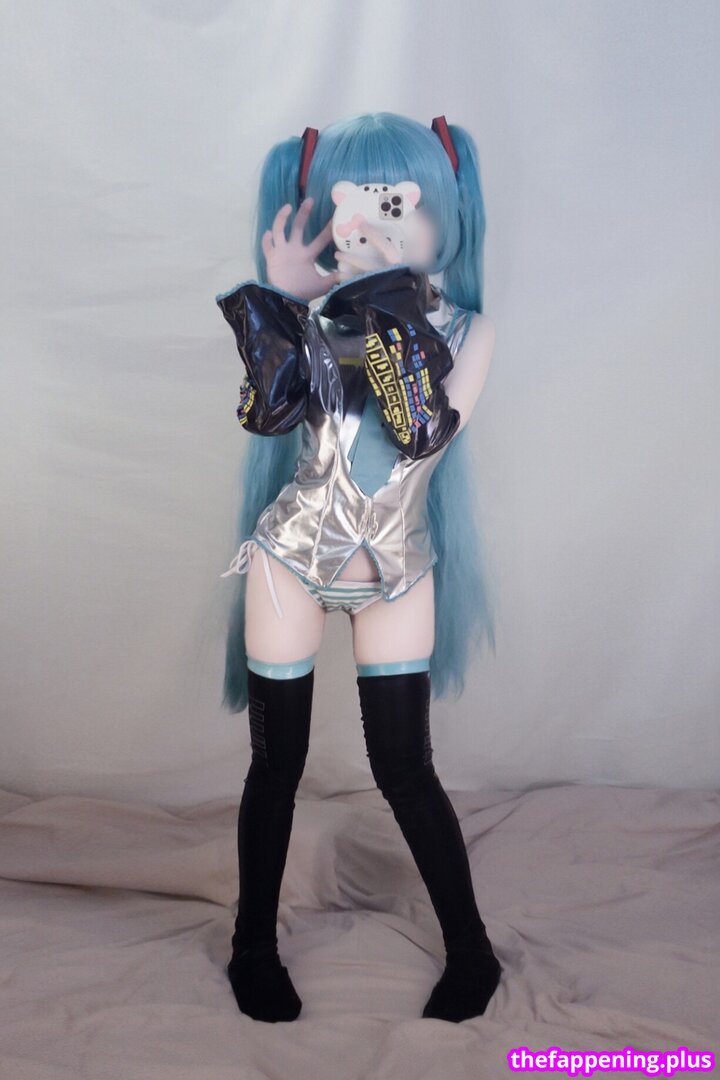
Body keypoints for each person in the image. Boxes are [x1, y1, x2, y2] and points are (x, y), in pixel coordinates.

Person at [215, 112, 501, 1023]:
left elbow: (420, 430)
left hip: (395, 568)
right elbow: (267, 413)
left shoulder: (469, 329)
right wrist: (279, 298)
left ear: (441, 208)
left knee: (405, 768)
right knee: (275, 767)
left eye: (397, 204)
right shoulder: (309, 321)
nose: (374, 222)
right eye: (356, 204)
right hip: (289, 561)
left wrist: (377, 297)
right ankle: (252, 947)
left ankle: (473, 951)